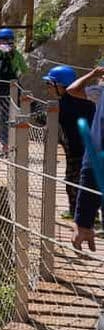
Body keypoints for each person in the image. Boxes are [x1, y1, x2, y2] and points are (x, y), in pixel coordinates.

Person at [44, 66, 96, 219]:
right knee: (76, 182)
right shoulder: (83, 101)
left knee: (77, 183)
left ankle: (86, 216)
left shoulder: (67, 104)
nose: (48, 88)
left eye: (50, 84)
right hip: (82, 148)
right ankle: (78, 212)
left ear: (60, 86)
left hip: (79, 150)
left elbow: (45, 118)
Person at [66, 66, 104, 251]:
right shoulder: (100, 92)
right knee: (88, 192)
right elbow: (72, 90)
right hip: (95, 155)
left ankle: (84, 228)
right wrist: (93, 74)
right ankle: (84, 228)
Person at [0, 28, 27, 153]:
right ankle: (6, 144)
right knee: (7, 115)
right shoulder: (16, 54)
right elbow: (24, 70)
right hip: (11, 89)